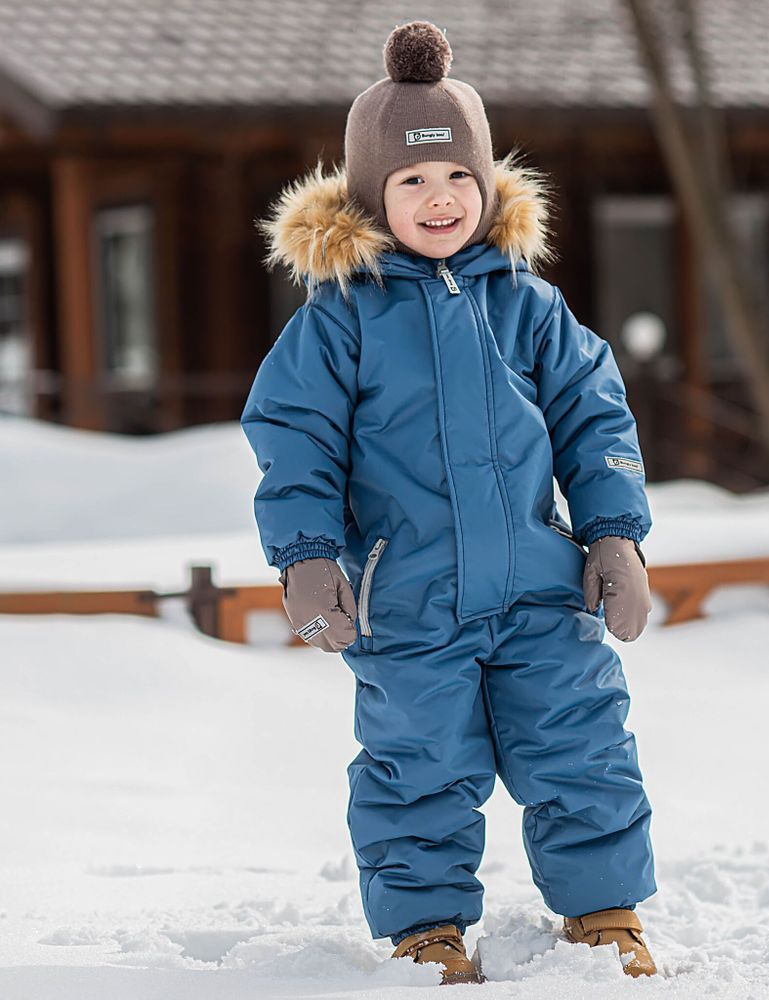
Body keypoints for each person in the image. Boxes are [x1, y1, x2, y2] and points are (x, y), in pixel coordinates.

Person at [241, 19, 658, 986]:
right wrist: (306, 555)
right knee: (416, 768)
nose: (441, 198)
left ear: (488, 184)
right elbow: (293, 439)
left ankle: (605, 914)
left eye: (459, 178)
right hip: (410, 600)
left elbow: (596, 420)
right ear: (372, 197)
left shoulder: (527, 303)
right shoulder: (339, 319)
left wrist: (613, 534)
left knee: (582, 746)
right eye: (414, 181)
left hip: (541, 592)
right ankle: (428, 929)